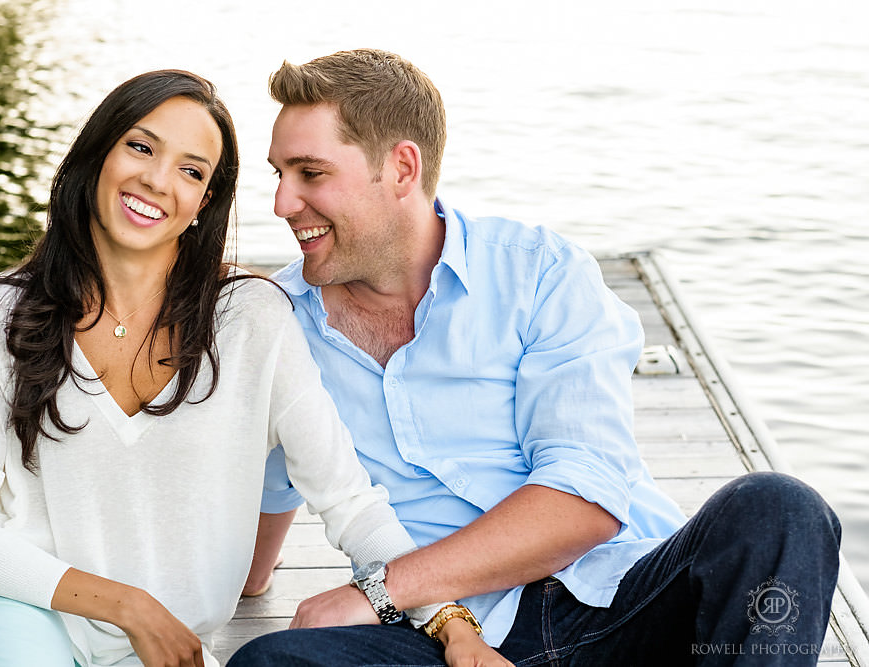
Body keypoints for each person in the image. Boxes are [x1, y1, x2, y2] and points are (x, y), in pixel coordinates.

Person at [229, 49, 843, 666]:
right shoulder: (280, 323)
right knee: (271, 663)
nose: (282, 203)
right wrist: (248, 580)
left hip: (622, 602)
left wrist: (379, 589)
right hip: (442, 639)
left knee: (780, 510)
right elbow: (271, 489)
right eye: (278, 174)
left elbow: (586, 499)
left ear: (401, 168)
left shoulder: (539, 273)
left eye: (310, 173)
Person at [0, 69, 495, 667]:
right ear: (97, 153)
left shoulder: (252, 319)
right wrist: (128, 606)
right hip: (18, 607)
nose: (157, 180)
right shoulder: (7, 314)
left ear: (204, 203)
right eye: (141, 147)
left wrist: (450, 622)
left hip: (164, 647)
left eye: (191, 171)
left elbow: (349, 501)